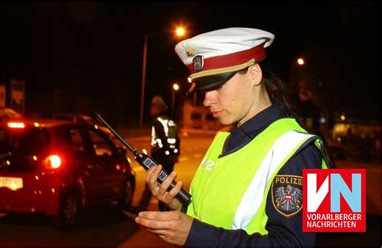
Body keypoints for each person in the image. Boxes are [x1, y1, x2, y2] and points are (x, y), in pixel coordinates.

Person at [134, 27, 329, 247]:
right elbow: (212, 217)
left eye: (217, 86)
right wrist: (179, 207)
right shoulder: (223, 138)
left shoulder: (298, 149)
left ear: (254, 74)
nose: (207, 100)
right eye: (204, 90)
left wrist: (195, 234)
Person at [136, 95, 181, 212]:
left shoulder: (157, 122)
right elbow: (177, 139)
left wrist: (167, 153)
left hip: (160, 157)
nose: (150, 110)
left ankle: (141, 209)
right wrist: (175, 154)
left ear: (157, 108)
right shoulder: (170, 121)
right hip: (170, 158)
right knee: (165, 183)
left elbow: (163, 138)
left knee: (152, 181)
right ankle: (164, 209)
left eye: (152, 107)